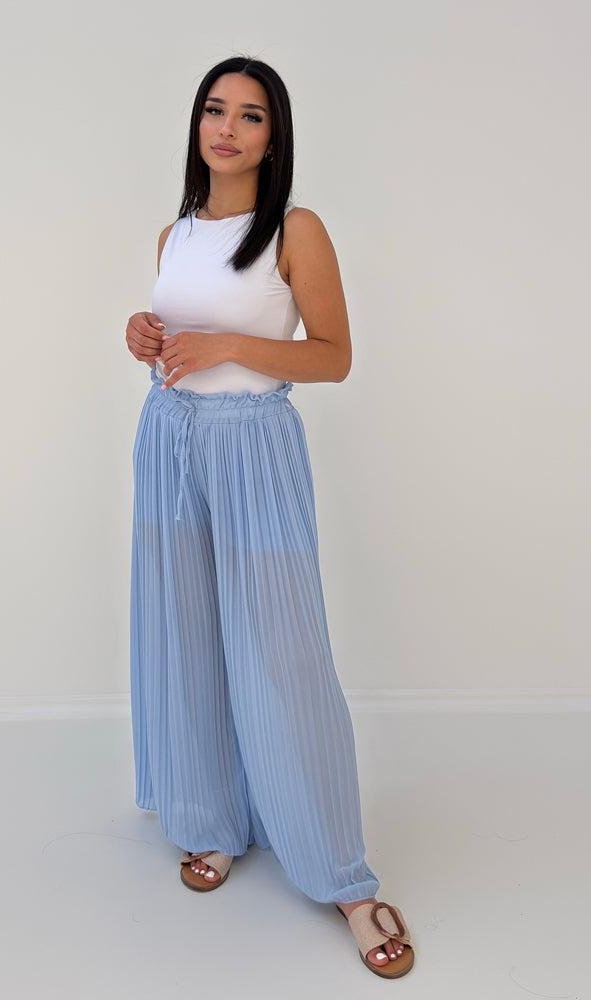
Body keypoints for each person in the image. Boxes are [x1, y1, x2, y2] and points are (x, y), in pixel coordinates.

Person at [125, 56, 414, 980]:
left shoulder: (296, 229)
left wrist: (230, 346)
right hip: (170, 440)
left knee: (281, 649)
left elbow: (332, 357)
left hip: (254, 446)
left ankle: (345, 879)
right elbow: (179, 346)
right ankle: (213, 820)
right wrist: (144, 336)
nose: (228, 128)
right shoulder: (173, 235)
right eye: (215, 110)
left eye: (250, 116)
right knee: (187, 632)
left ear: (274, 136)